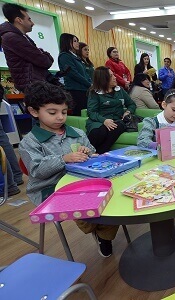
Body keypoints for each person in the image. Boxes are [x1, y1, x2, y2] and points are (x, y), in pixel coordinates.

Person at [18, 81, 119, 257]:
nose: (60, 117)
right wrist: (63, 159)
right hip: (50, 188)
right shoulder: (29, 142)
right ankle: (97, 228)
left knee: (112, 193)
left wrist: (88, 152)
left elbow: (93, 153)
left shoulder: (77, 133)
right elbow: (37, 170)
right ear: (34, 111)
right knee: (85, 205)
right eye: (52, 112)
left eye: (64, 112)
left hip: (81, 181)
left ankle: (104, 234)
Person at [0, 3, 54, 92]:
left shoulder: (22, 36)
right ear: (19, 20)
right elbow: (44, 61)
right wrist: (44, 54)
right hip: (33, 86)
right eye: (29, 19)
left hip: (36, 84)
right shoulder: (12, 37)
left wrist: (42, 53)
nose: (32, 23)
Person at [86, 66, 136, 154]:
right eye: (111, 76)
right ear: (103, 79)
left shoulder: (120, 90)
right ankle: (88, 153)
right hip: (99, 121)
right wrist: (104, 121)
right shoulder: (94, 93)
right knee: (99, 131)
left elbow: (131, 104)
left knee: (118, 126)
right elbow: (91, 112)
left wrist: (128, 112)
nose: (115, 77)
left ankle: (99, 153)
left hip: (117, 120)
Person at [58, 33, 91, 116]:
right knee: (79, 113)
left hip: (84, 89)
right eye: (75, 41)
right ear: (67, 42)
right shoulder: (65, 56)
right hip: (75, 90)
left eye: (78, 41)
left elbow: (85, 73)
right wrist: (89, 84)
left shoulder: (75, 56)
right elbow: (73, 74)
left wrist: (90, 83)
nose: (78, 43)